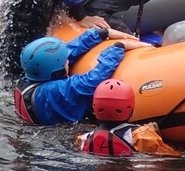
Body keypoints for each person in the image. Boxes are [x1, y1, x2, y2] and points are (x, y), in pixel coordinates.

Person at [13, 27, 151, 126]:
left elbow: (65, 52)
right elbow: (94, 79)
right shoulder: (55, 91)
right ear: (57, 71)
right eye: (66, 61)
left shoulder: (31, 77)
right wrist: (117, 48)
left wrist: (99, 34)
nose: (68, 61)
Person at [77, 79, 181, 157]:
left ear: (94, 108)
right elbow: (173, 156)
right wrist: (155, 133)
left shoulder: (83, 139)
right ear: (131, 109)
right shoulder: (141, 136)